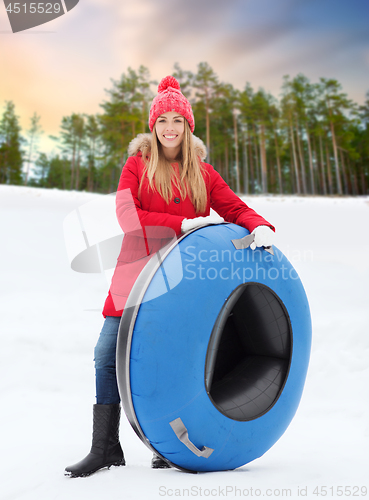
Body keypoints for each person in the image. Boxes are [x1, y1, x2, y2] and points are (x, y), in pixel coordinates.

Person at [65, 76, 275, 478]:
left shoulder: (205, 174)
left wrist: (260, 225)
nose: (170, 128)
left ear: (188, 126)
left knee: (174, 359)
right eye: (163, 120)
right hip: (136, 276)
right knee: (106, 355)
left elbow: (234, 208)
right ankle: (106, 447)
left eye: (178, 120)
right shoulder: (137, 166)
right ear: (153, 126)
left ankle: (167, 445)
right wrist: (182, 223)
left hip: (186, 285)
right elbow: (128, 218)